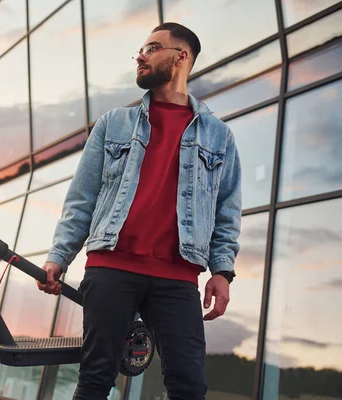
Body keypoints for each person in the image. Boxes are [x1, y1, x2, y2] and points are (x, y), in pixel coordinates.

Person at [36, 22, 242, 400]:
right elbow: (82, 198)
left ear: (180, 57)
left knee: (189, 386)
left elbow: (227, 212)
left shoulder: (218, 136)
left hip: (178, 277)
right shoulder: (114, 124)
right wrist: (58, 255)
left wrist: (223, 271)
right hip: (111, 268)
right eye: (141, 49)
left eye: (151, 48)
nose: (139, 56)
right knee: (95, 379)